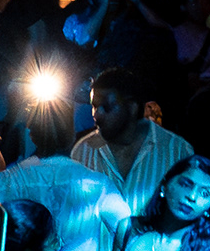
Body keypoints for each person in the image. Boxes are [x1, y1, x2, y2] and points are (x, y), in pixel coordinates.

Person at [69, 67, 197, 218]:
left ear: (132, 107)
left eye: (106, 107)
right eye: (94, 106)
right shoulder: (83, 151)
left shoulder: (177, 151)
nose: (97, 114)